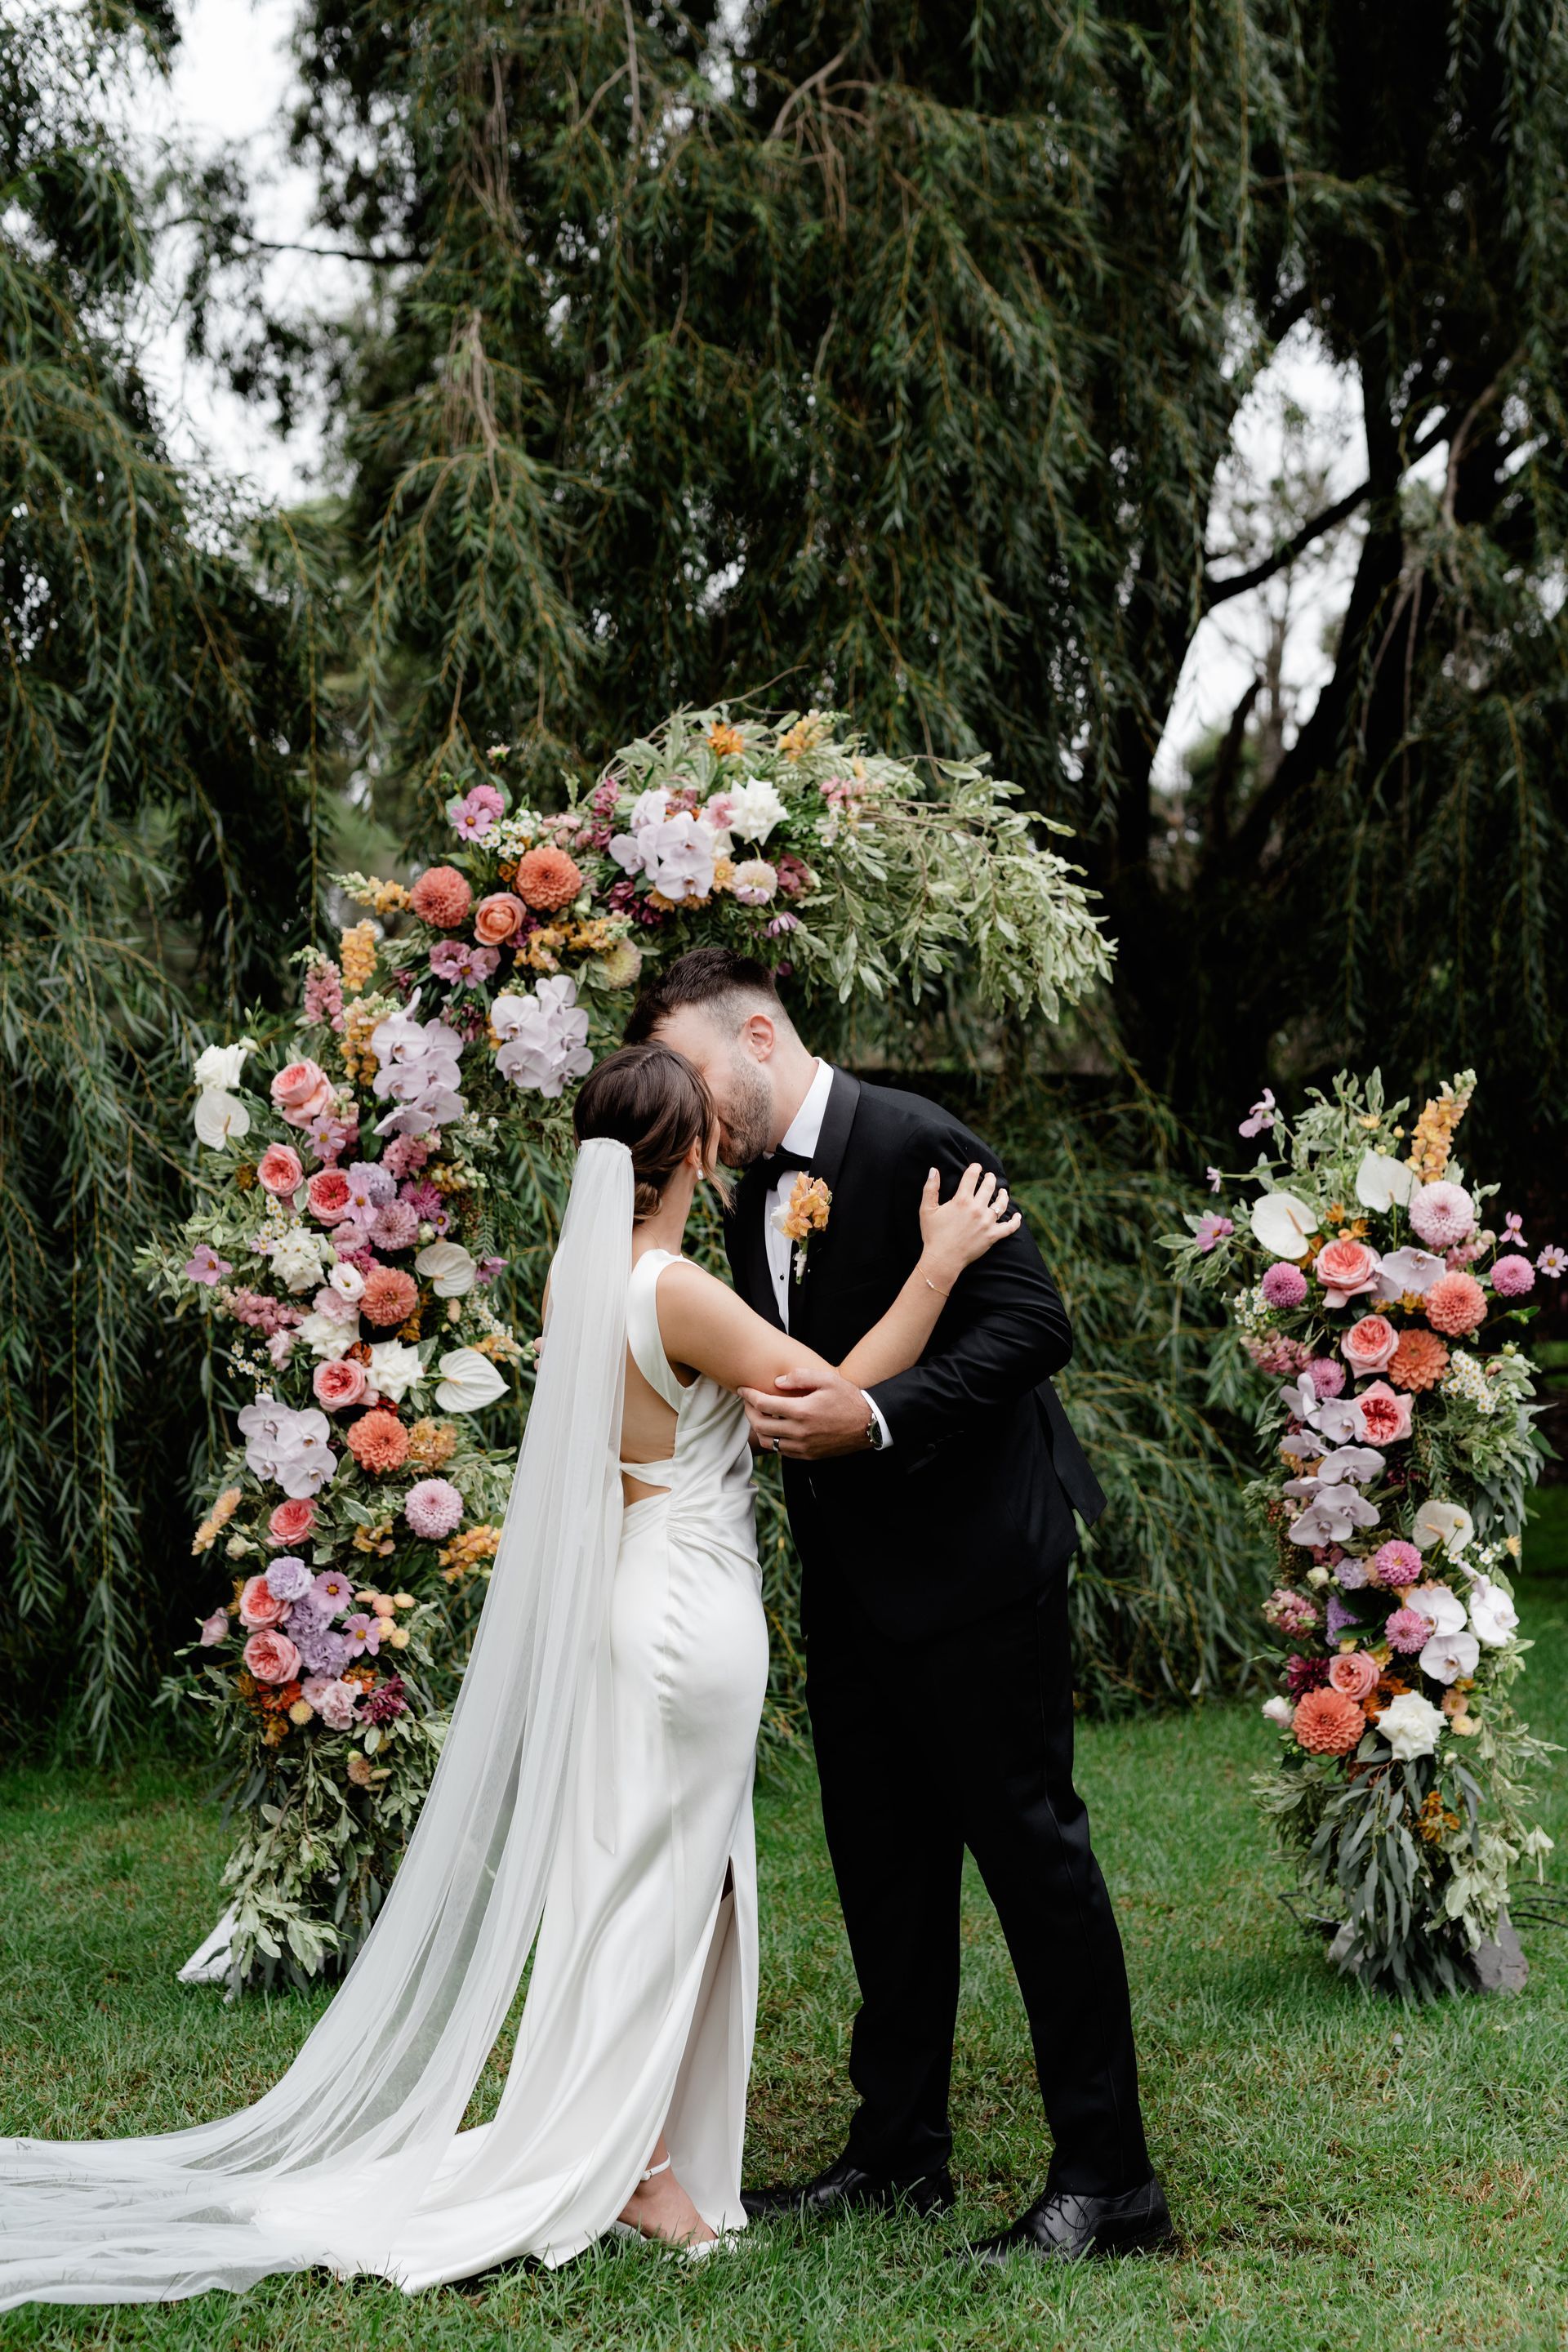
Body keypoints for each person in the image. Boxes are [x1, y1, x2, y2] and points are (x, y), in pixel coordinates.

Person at [0, 1042, 1018, 2308]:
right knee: (668, 1883)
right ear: (694, 1151)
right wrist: (937, 1265)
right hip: (688, 1609)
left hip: (636, 1598)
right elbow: (829, 1396)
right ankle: (638, 2163)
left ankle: (636, 2139)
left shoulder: (580, 1279)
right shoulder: (674, 1288)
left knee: (648, 1874)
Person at [627, 949, 1173, 2266]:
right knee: (886, 1873)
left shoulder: (921, 1140)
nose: (688, 1108)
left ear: (759, 1035)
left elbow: (1033, 1325)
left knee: (1035, 1866)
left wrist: (875, 1418)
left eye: (694, 1073)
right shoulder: (748, 1189)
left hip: (982, 1571)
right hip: (854, 1588)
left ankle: (1111, 2184)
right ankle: (896, 2155)